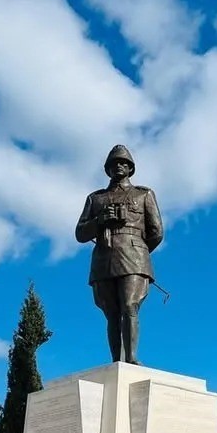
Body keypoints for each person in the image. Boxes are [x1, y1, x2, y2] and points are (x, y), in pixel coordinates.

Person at [74, 144, 164, 364]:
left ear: (131, 168)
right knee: (111, 312)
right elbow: (80, 233)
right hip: (104, 258)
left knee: (130, 304)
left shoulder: (144, 194)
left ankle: (131, 358)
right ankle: (117, 360)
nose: (119, 167)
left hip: (134, 258)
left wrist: (138, 249)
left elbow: (157, 232)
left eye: (124, 163)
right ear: (108, 169)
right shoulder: (96, 199)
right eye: (114, 164)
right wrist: (100, 221)